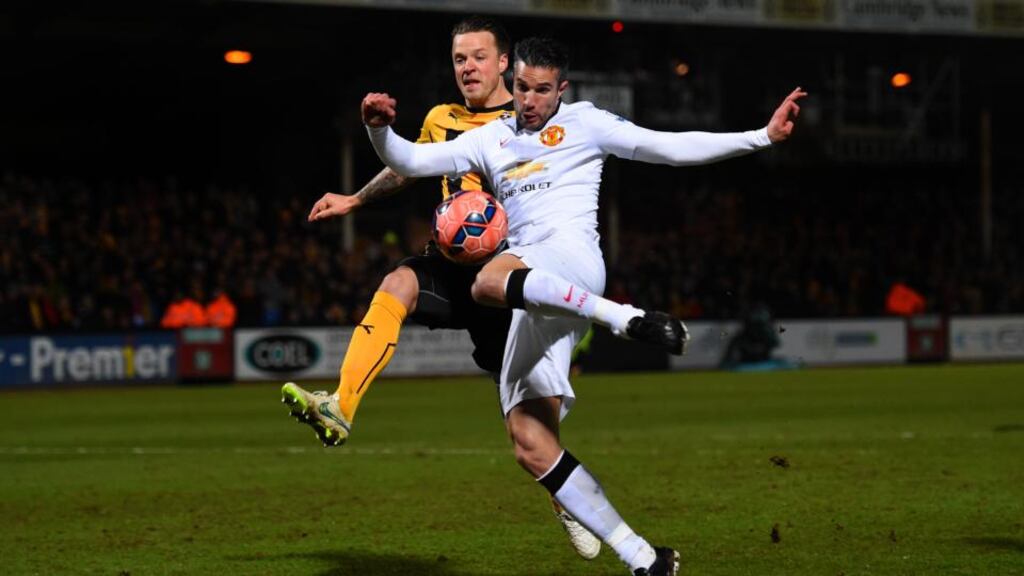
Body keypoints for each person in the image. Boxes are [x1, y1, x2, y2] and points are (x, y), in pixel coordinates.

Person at [360, 37, 805, 576]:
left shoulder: (587, 123)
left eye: (542, 90)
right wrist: (379, 127)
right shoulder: (489, 138)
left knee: (484, 284)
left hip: (570, 261)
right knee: (530, 442)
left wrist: (761, 136)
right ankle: (645, 557)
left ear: (561, 89)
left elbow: (667, 146)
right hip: (533, 289)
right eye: (522, 87)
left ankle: (626, 318)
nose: (528, 100)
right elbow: (409, 158)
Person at [280, 17, 601, 560]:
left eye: (479, 57)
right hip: (452, 266)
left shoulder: (535, 119)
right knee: (398, 281)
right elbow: (407, 169)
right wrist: (356, 198)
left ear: (505, 63)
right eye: (459, 60)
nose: (468, 68)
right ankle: (341, 405)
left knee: (529, 428)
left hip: (507, 278)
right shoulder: (441, 118)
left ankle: (569, 500)